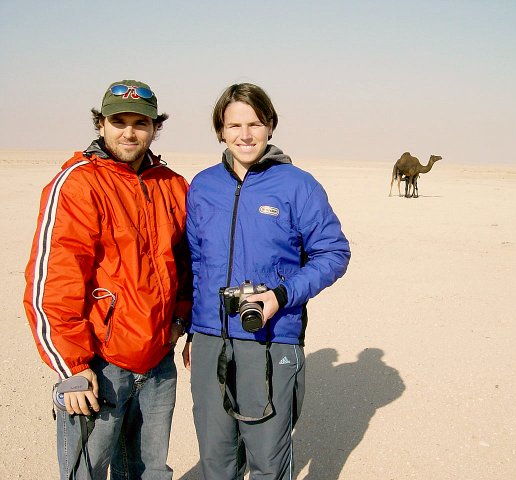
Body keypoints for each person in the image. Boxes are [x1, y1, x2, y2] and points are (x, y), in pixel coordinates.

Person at [23, 79, 192, 480]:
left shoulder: (171, 185)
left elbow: (188, 265)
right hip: (100, 366)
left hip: (157, 362)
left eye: (141, 123)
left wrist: (181, 322)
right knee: (89, 471)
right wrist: (72, 366)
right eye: (119, 121)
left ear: (155, 128)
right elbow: (54, 281)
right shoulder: (79, 183)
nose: (129, 132)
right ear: (101, 124)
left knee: (150, 470)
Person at [182, 83, 351, 479]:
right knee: (216, 460)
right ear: (220, 130)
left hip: (272, 339)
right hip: (210, 340)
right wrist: (193, 331)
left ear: (270, 126)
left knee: (267, 462)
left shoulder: (297, 185)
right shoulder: (203, 186)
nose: (245, 135)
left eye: (255, 123)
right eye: (234, 124)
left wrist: (281, 295)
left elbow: (333, 252)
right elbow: (195, 264)